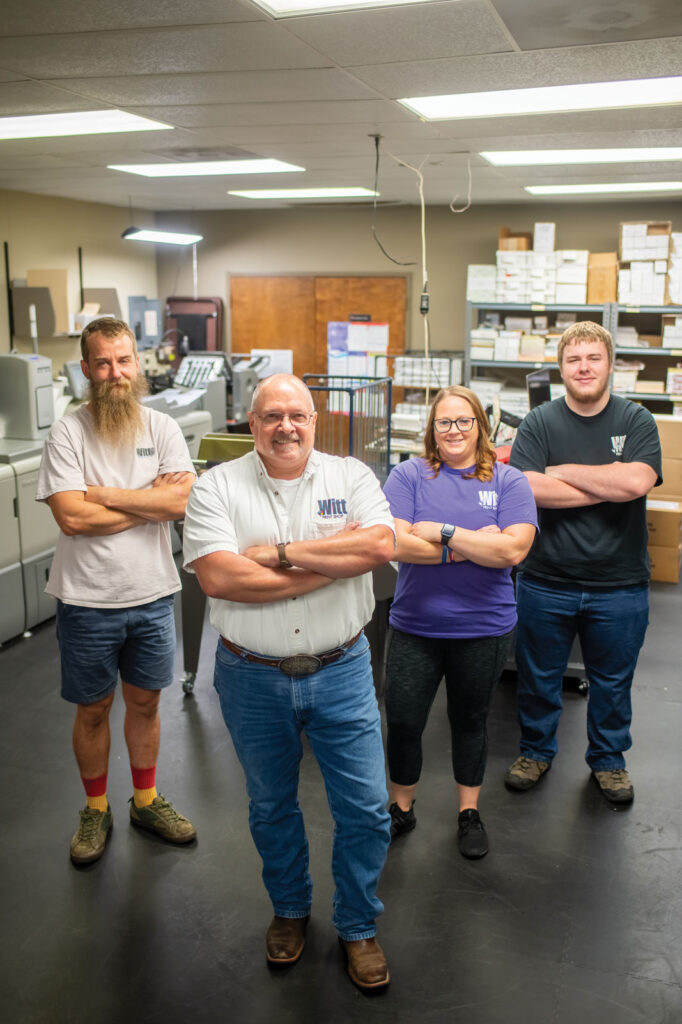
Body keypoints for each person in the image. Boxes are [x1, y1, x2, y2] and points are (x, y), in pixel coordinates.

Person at [182, 374, 395, 990]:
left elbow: (379, 544)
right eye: (271, 416)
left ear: (314, 420)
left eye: (297, 415)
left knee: (365, 810)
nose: (286, 427)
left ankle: (358, 925)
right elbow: (221, 579)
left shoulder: (349, 476)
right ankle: (291, 910)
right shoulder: (215, 487)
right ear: (252, 425)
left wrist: (277, 554)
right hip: (251, 676)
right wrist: (330, 563)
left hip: (343, 670)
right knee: (272, 806)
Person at [37, 317, 197, 865]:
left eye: (124, 361)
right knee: (92, 710)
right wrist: (141, 499)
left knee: (148, 703)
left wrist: (102, 495)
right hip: (86, 599)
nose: (115, 373)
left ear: (138, 363)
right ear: (86, 369)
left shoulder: (161, 429)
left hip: (152, 594)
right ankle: (96, 808)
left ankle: (146, 799)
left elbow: (179, 505)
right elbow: (72, 520)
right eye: (103, 363)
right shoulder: (68, 433)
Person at [505, 321, 662, 804]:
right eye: (574, 360)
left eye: (593, 358)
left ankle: (609, 762)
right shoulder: (539, 423)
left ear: (610, 364)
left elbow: (636, 483)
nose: (584, 367)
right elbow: (529, 489)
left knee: (613, 683)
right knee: (538, 678)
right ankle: (535, 751)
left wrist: (563, 473)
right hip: (546, 579)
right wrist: (605, 482)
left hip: (620, 584)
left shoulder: (636, 420)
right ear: (561, 368)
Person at [382, 385, 537, 858]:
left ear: (480, 426)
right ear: (432, 429)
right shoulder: (408, 475)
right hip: (415, 625)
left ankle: (468, 812)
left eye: (463, 421)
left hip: (484, 628)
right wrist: (471, 547)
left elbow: (512, 550)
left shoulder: (509, 482)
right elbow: (394, 543)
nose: (454, 430)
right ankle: (400, 807)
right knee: (405, 721)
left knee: (469, 721)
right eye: (444, 422)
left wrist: (445, 533)